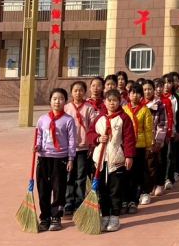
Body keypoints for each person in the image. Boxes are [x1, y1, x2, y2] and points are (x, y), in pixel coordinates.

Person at [87, 89, 135, 232]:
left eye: (115, 100)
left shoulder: (124, 118)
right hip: (100, 160)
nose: (112, 103)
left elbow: (129, 139)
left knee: (115, 190)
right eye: (109, 100)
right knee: (102, 190)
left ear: (120, 102)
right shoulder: (99, 118)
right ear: (104, 102)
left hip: (117, 160)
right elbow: (90, 133)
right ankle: (105, 215)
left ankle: (115, 216)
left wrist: (129, 156)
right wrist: (97, 138)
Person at [34, 88, 76, 231]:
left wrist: (71, 158)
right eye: (54, 99)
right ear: (50, 101)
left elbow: (72, 141)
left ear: (65, 101)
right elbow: (39, 135)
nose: (57, 102)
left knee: (58, 189)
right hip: (44, 157)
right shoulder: (42, 119)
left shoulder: (68, 120)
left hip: (60, 158)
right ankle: (44, 217)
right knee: (43, 189)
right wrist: (37, 146)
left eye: (61, 99)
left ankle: (56, 217)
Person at [63, 81, 97, 216]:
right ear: (71, 92)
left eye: (81, 90)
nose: (78, 93)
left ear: (85, 92)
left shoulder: (89, 108)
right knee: (68, 176)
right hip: (68, 149)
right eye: (75, 90)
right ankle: (68, 202)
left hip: (83, 147)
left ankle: (79, 202)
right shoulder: (66, 108)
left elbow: (93, 127)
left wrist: (92, 145)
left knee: (81, 176)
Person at [122, 83, 152, 215]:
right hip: (125, 147)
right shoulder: (124, 109)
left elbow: (148, 129)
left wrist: (148, 147)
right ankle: (124, 200)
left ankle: (133, 201)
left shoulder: (145, 110)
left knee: (136, 175)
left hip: (139, 146)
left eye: (138, 93)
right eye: (132, 92)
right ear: (128, 95)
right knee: (125, 175)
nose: (135, 95)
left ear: (141, 96)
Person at [143, 79, 169, 200]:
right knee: (142, 167)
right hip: (140, 142)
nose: (147, 92)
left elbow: (162, 124)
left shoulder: (159, 105)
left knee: (152, 165)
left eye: (149, 89)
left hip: (153, 141)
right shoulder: (138, 104)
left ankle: (153, 187)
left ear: (153, 90)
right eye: (144, 89)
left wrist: (159, 140)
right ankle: (145, 188)